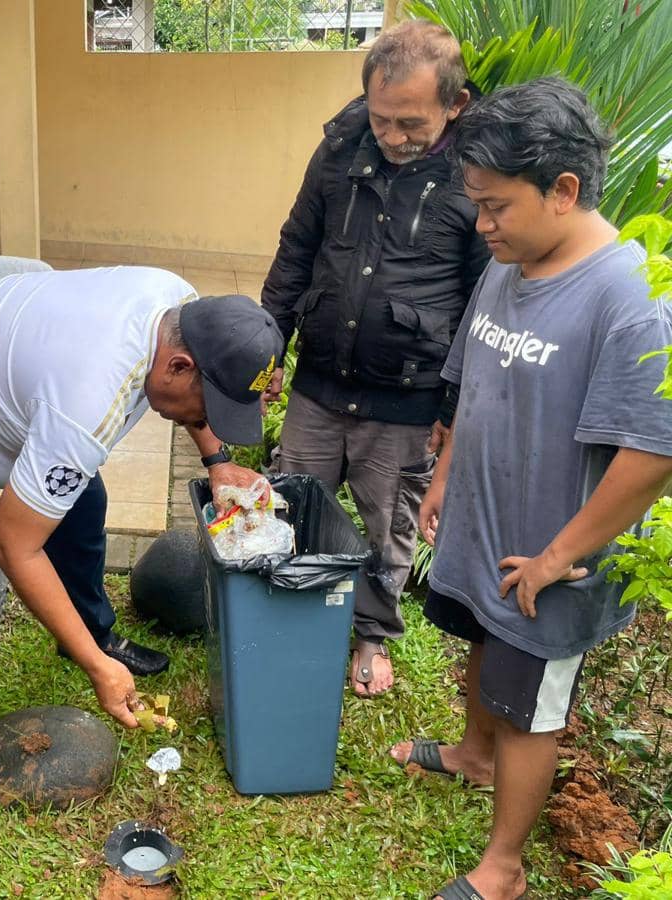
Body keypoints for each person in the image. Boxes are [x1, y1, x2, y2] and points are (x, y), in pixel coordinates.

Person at [0, 268, 284, 854]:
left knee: (84, 507)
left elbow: (190, 400)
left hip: (11, 401)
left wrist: (216, 460)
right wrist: (98, 672)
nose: (205, 417)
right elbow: (14, 545)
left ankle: (89, 632)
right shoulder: (89, 401)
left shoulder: (181, 308)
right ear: (177, 368)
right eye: (208, 406)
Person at [389, 78, 672, 900]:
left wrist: (556, 557)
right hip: (488, 523)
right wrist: (443, 480)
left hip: (553, 556)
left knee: (529, 705)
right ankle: (474, 757)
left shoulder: (628, 301)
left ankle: (503, 868)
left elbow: (653, 454)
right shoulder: (512, 263)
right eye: (475, 203)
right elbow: (472, 383)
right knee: (484, 645)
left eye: (496, 205)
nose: (482, 225)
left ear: (564, 191)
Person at [257, 19, 490, 697]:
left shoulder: (475, 176)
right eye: (381, 118)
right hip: (320, 379)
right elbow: (298, 244)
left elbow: (482, 298)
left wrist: (453, 405)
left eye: (409, 123)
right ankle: (289, 608)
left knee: (388, 523)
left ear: (455, 105)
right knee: (292, 500)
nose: (390, 136)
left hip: (409, 391)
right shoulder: (338, 149)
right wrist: (272, 342)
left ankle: (371, 635)